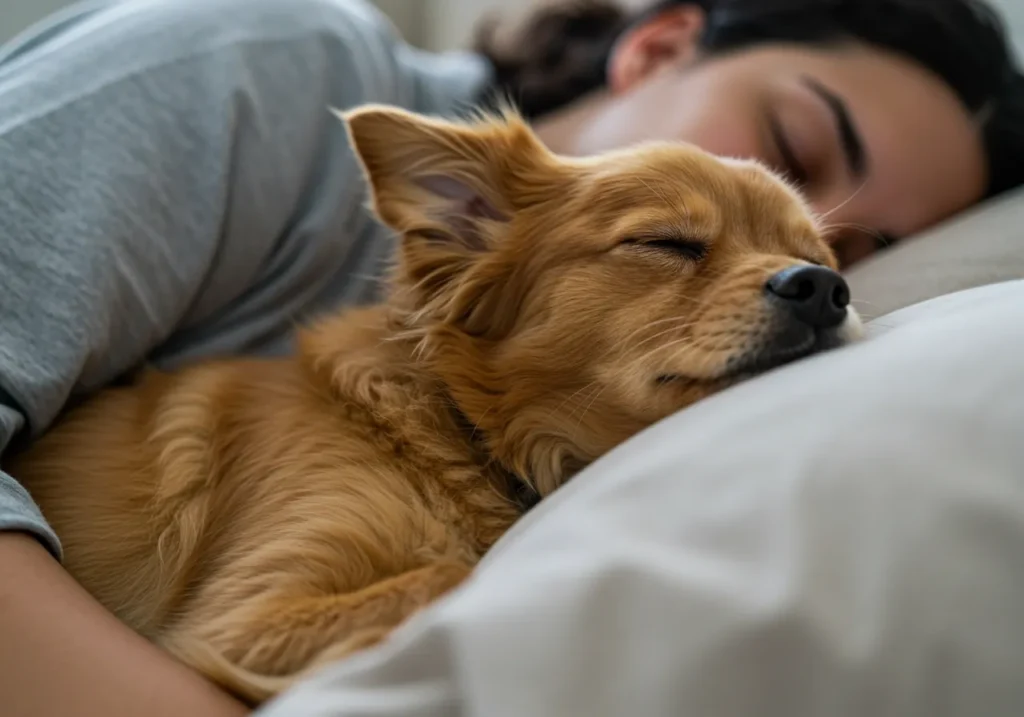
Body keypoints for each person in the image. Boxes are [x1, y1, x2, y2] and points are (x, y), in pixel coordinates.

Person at [0, 0, 1020, 714]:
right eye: (792, 142)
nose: (805, 284)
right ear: (660, 42)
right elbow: (259, 631)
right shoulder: (266, 58)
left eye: (839, 260)